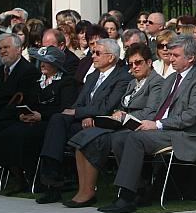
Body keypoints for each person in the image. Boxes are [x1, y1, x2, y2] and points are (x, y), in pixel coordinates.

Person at [98, 35, 196, 213]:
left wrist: (158, 124)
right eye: (170, 55)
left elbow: (192, 116)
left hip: (184, 133)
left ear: (190, 58)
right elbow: (158, 108)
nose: (171, 59)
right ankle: (140, 188)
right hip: (162, 129)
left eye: (176, 55)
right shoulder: (171, 79)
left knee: (135, 139)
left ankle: (126, 196)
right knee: (119, 138)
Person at [64, 43, 163, 207]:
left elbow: (150, 112)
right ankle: (83, 190)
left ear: (149, 62)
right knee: (83, 138)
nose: (134, 67)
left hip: (134, 126)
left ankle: (96, 192)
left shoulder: (156, 82)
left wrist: (125, 116)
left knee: (95, 139)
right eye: (131, 64)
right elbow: (123, 105)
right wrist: (118, 113)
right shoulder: (133, 82)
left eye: (138, 63)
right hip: (119, 124)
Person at [36, 38, 133, 204]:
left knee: (63, 128)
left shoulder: (122, 77)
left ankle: (58, 184)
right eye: (92, 52)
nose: (92, 56)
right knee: (57, 119)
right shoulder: (93, 76)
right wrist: (81, 113)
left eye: (97, 53)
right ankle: (52, 180)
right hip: (83, 120)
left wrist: (82, 113)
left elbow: (107, 107)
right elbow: (78, 103)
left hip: (102, 123)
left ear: (111, 57)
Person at [0, 46, 74, 195]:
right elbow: (30, 103)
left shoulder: (67, 82)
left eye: (46, 62)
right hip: (32, 119)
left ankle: (35, 178)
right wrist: (23, 114)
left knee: (26, 137)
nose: (42, 65)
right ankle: (19, 177)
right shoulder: (37, 80)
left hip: (50, 123)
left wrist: (41, 116)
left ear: (56, 64)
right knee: (7, 134)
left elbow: (66, 109)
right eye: (40, 61)